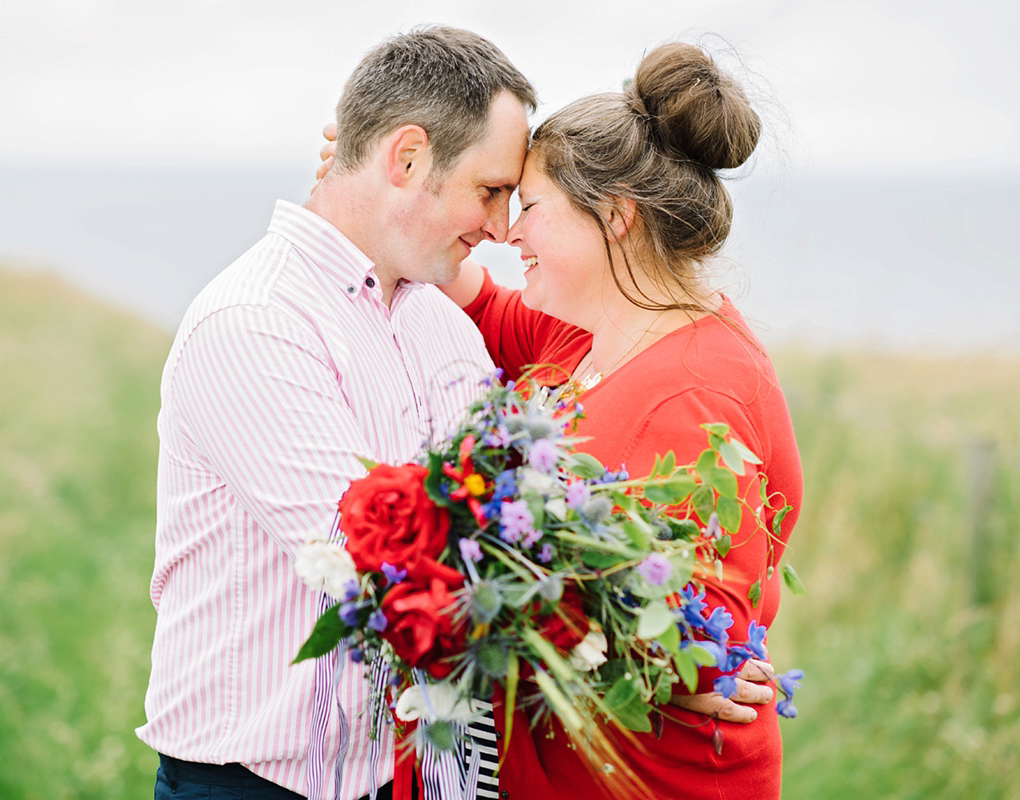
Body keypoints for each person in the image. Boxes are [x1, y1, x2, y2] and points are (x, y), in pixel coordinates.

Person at [136, 26, 536, 800]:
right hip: (250, 784)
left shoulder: (444, 327)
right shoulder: (255, 322)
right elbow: (385, 568)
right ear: (408, 158)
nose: (499, 224)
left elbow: (501, 522)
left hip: (400, 775)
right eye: (489, 190)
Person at [435, 41, 804, 799]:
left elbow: (690, 644)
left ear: (618, 217)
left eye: (530, 208)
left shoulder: (696, 395)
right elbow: (478, 298)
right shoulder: (597, 337)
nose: (507, 232)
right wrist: (382, 186)